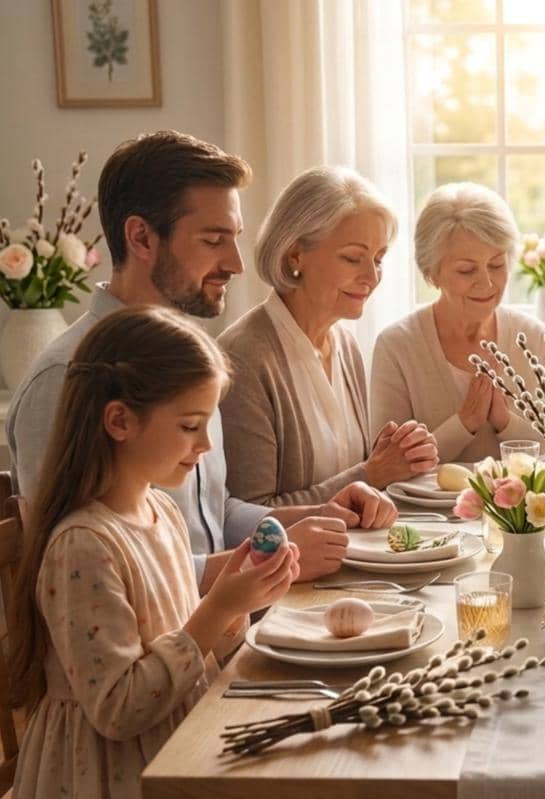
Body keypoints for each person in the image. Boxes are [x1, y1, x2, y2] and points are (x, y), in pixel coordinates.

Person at [4, 131, 394, 585]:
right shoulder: (67, 376)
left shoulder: (192, 361)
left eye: (234, 239)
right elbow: (75, 572)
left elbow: (214, 515)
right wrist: (257, 563)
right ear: (141, 238)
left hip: (213, 629)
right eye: (213, 240)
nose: (236, 263)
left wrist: (317, 514)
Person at [9, 306, 301, 799]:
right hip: (104, 775)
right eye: (190, 425)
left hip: (171, 747)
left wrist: (241, 601)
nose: (205, 444)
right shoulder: (83, 545)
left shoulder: (160, 511)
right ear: (119, 421)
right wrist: (220, 607)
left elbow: (187, 656)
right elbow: (118, 708)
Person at [220, 166, 438, 505]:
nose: (371, 276)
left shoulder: (345, 345)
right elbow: (251, 518)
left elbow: (359, 480)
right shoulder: (243, 358)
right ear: (295, 256)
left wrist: (394, 457)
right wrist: (372, 473)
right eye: (353, 258)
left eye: (378, 259)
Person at [371, 182, 545, 463]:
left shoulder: (534, 338)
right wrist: (464, 423)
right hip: (419, 509)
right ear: (431, 274)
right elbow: (386, 465)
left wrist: (505, 422)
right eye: (466, 270)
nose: (487, 283)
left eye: (496, 264)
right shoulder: (396, 346)